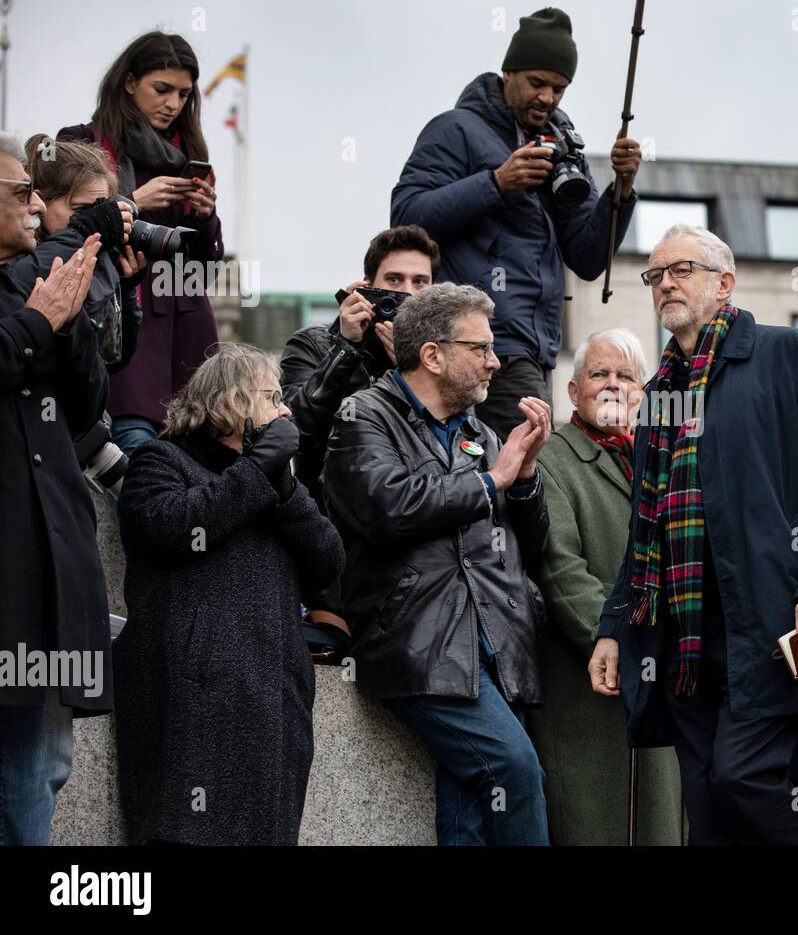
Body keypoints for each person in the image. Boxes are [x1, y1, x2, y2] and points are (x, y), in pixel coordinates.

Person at [588, 225, 798, 845]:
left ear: (724, 284)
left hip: (772, 618)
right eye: (654, 275)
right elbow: (646, 530)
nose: (665, 283)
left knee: (741, 777)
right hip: (684, 635)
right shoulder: (659, 395)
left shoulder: (785, 353)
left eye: (682, 270)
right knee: (707, 806)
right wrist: (615, 627)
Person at [323, 284, 552, 846]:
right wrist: (492, 480)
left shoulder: (480, 430)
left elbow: (533, 544)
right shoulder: (364, 414)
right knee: (514, 770)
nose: (496, 362)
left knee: (471, 806)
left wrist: (523, 484)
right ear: (432, 355)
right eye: (482, 349)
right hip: (419, 641)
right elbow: (387, 505)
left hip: (496, 641)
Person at [113, 344, 343, 845]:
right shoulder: (161, 460)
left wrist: (281, 487)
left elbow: (328, 561)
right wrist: (257, 470)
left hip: (272, 702)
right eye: (272, 397)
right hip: (190, 698)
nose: (285, 410)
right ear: (230, 401)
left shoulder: (277, 484)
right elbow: (174, 527)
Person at [390, 7, 641, 441]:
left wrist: (619, 191)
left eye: (559, 88)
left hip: (535, 349)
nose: (547, 97)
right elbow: (407, 217)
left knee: (510, 479)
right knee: (524, 476)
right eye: (537, 83)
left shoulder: (563, 148)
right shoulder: (455, 130)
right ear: (508, 73)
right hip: (478, 341)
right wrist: (496, 184)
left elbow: (586, 258)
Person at [529, 327, 684, 845]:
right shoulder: (550, 457)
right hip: (587, 684)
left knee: (660, 825)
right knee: (596, 824)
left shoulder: (660, 462)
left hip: (659, 673)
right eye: (599, 374)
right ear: (573, 392)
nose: (613, 386)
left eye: (626, 377)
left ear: (642, 394)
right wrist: (620, 636)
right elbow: (559, 568)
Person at [0, 138, 111, 843]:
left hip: (49, 564)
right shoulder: (26, 302)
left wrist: (66, 329)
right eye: (19, 192)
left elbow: (85, 406)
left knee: (44, 763)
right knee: (21, 769)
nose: (36, 204)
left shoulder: (26, 282)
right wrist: (39, 323)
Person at [59, 31, 224, 455]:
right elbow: (61, 234)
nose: (174, 104)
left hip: (188, 328)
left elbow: (203, 267)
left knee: (197, 461)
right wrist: (131, 203)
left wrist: (205, 217)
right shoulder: (82, 143)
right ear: (129, 82)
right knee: (134, 449)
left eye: (184, 94)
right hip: (122, 326)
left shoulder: (190, 152)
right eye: (162, 89)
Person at [280, 226, 440, 657]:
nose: (406, 293)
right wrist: (345, 346)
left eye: (419, 283)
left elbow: (451, 461)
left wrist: (413, 373)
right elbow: (293, 432)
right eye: (394, 282)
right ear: (366, 286)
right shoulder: (316, 343)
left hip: (409, 537)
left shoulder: (437, 362)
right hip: (332, 531)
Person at [26, 134, 147, 373]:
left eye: (101, 210)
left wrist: (124, 288)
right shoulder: (21, 259)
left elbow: (112, 358)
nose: (97, 222)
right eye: (82, 210)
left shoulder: (96, 258)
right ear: (38, 202)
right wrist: (80, 231)